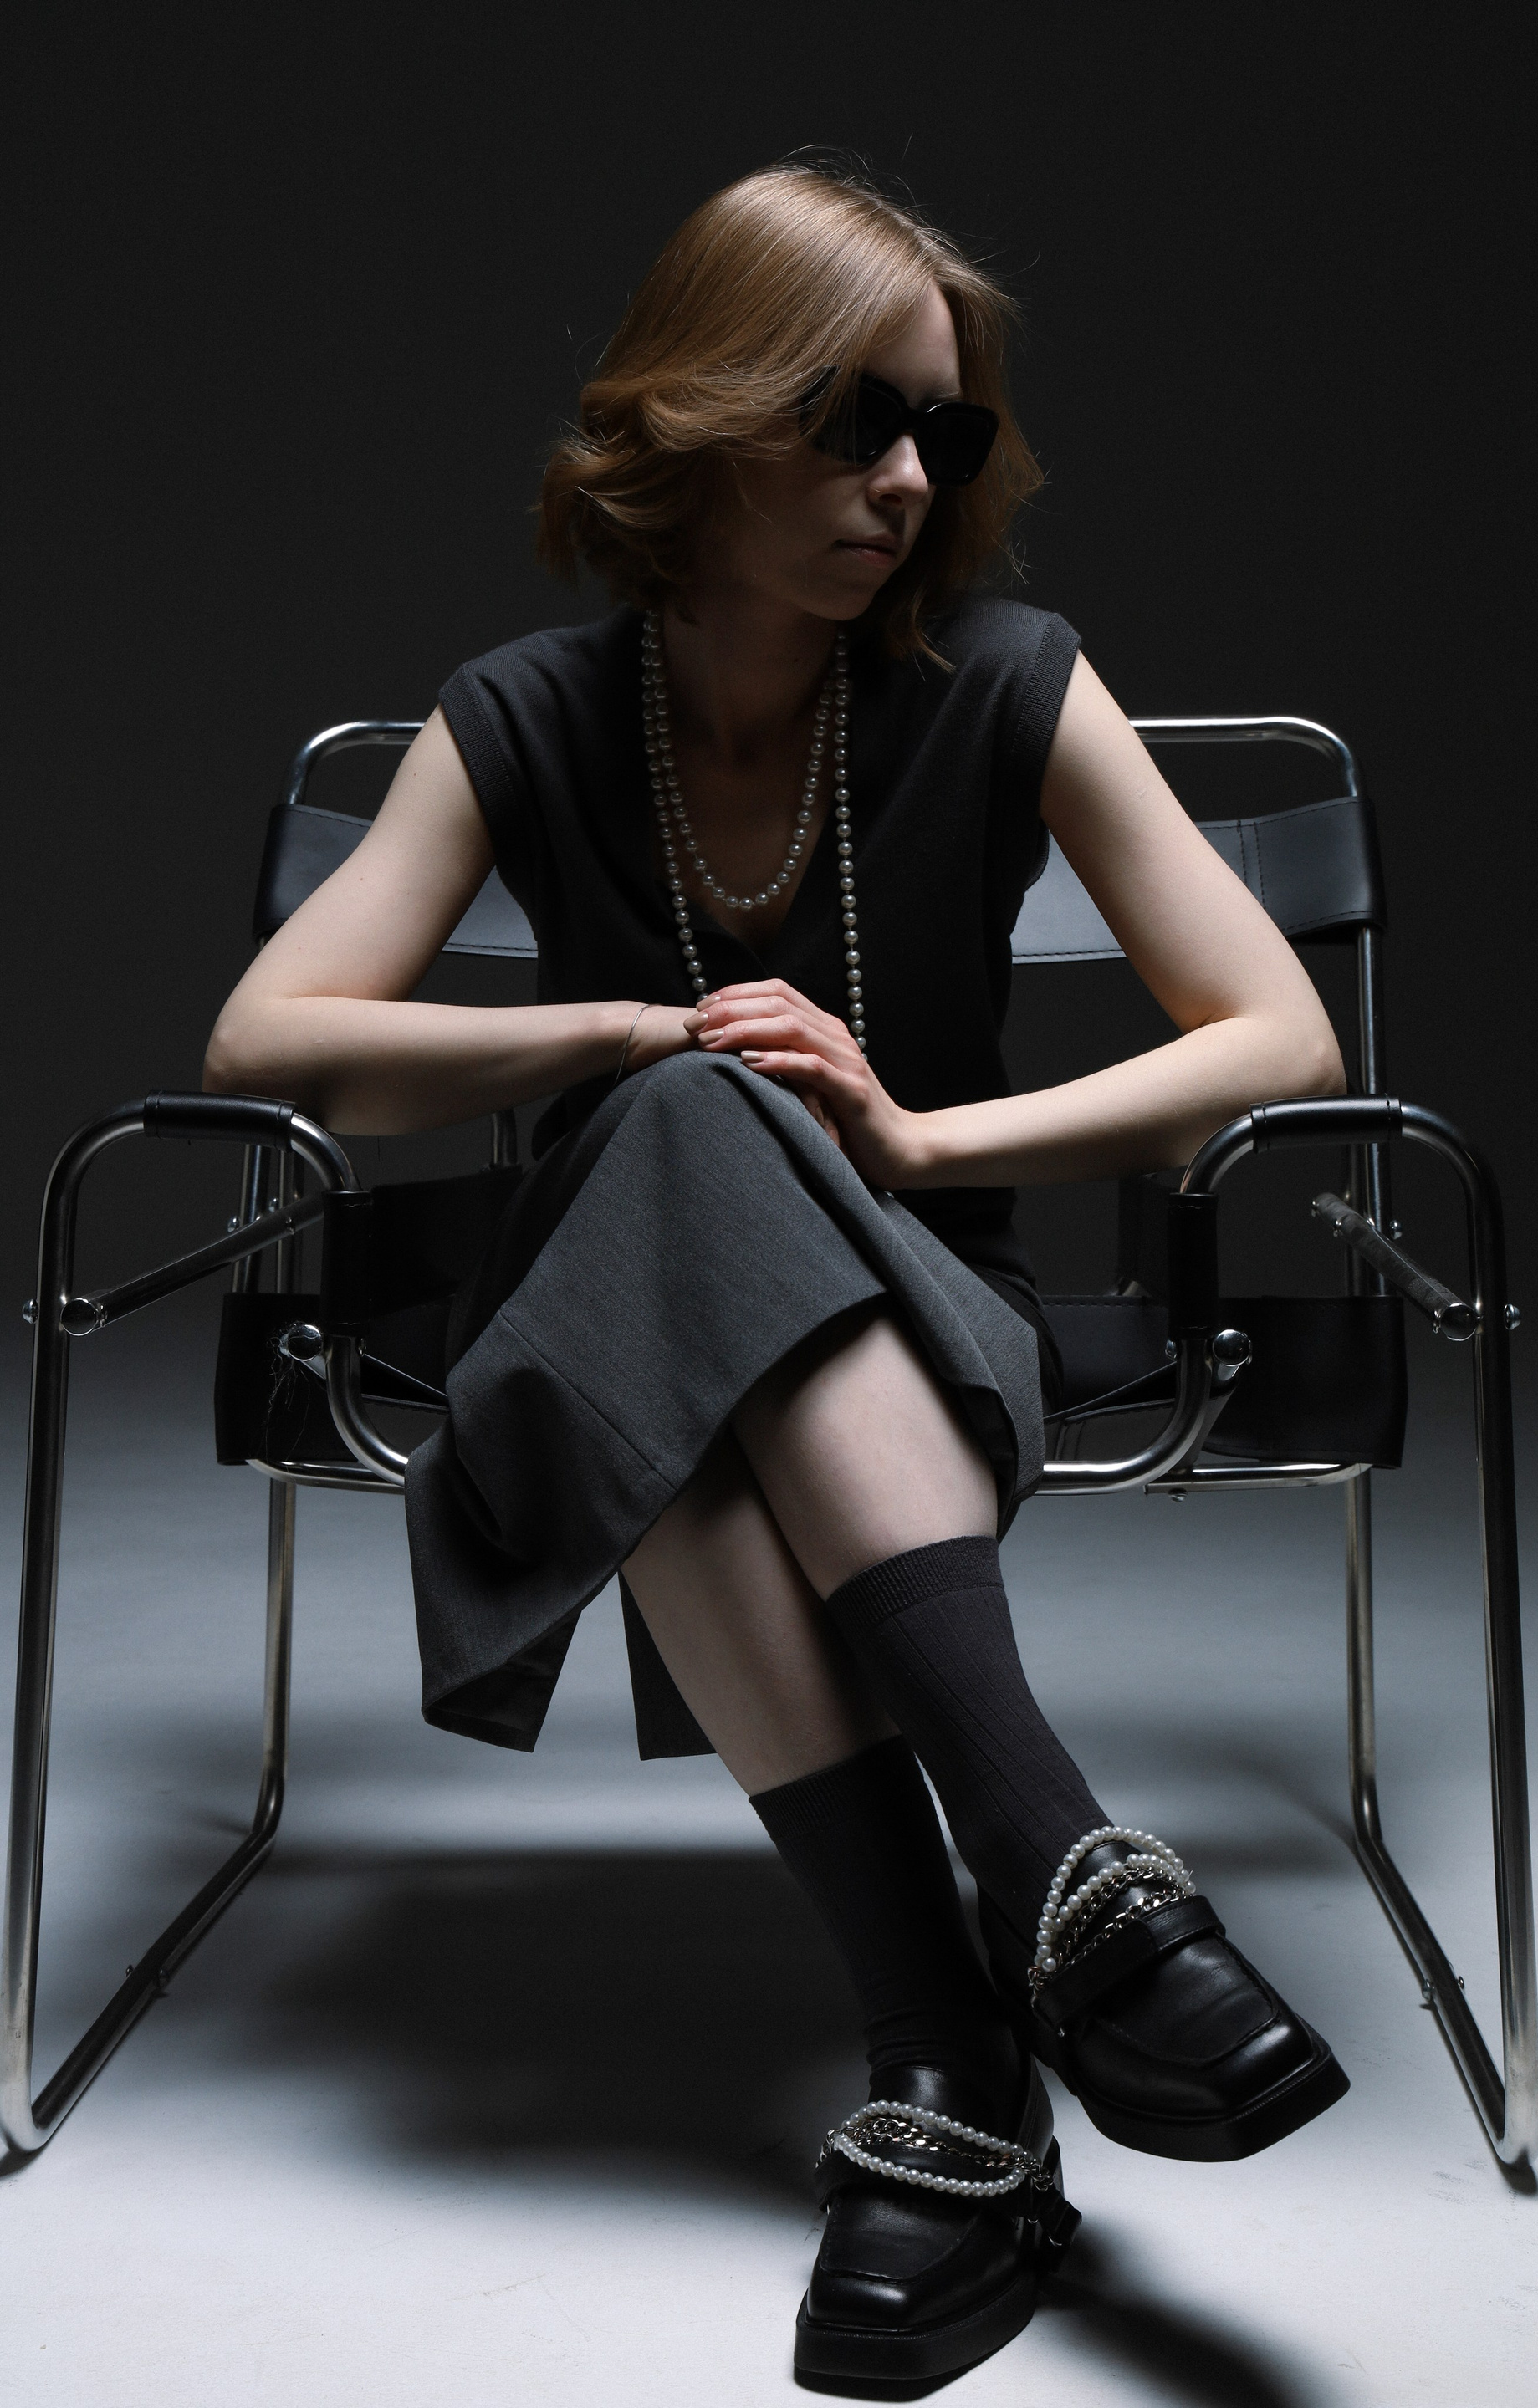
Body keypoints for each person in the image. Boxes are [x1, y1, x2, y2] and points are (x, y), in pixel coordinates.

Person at [206, 161, 1351, 2390]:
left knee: (697, 1236)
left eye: (940, 430)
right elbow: (270, 1045)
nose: (909, 482)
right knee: (683, 1127)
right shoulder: (530, 709)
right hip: (603, 1344)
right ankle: (1073, 1897)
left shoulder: (1008, 682)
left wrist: (917, 1140)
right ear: (702, 420)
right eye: (852, 423)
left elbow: (1279, 1042)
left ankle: (950, 2050)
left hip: (930, 1335)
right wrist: (628, 1032)